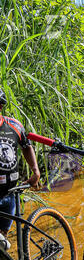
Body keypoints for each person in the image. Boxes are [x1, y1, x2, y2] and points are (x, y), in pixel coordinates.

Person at [0, 88, 40, 249]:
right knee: (4, 245)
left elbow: (26, 146)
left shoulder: (14, 126)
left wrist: (35, 170)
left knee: (3, 238)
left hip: (11, 193)